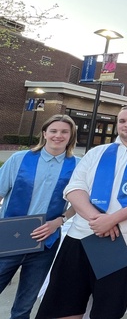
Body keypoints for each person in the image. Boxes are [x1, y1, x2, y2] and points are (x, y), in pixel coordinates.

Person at [36, 106, 127, 319]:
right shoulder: (96, 152)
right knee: (63, 304)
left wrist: (112, 220)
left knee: (107, 310)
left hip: (121, 242)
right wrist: (97, 220)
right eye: (122, 120)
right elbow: (73, 188)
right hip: (80, 236)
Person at [0, 115, 79, 319]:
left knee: (25, 305)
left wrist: (60, 220)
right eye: (53, 131)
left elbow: (80, 204)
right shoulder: (20, 159)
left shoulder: (78, 166)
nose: (58, 135)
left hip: (45, 243)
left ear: (71, 137)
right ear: (44, 133)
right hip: (9, 240)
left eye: (64, 132)